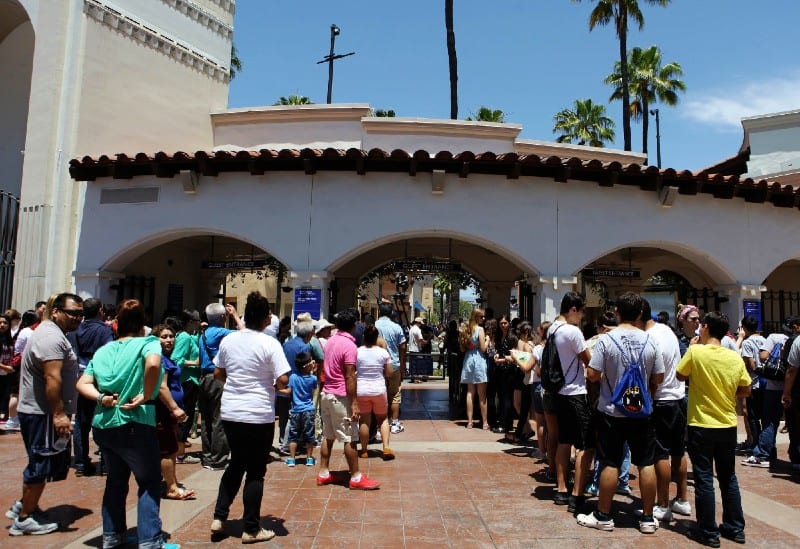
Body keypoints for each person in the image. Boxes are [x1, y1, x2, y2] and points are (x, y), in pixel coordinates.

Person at [76, 298, 165, 549]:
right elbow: (153, 364)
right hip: (135, 421)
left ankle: (112, 536)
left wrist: (102, 397)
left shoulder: (103, 350)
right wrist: (146, 395)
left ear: (117, 324)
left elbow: (82, 383)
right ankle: (150, 540)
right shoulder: (148, 342)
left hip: (104, 425)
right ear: (143, 323)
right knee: (148, 481)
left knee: (115, 481)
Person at [577, 292, 664, 534]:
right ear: (639, 314)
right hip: (642, 412)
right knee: (646, 463)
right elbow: (658, 377)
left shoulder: (607, 340)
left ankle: (604, 515)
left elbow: (592, 374)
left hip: (611, 412)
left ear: (616, 312)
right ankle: (647, 518)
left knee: (610, 462)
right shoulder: (650, 341)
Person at [209, 291, 290, 543]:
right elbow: (283, 379)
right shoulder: (270, 344)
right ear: (266, 319)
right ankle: (251, 528)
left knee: (235, 464)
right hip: (258, 414)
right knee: (255, 471)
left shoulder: (230, 340)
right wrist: (273, 384)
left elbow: (218, 373)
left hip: (232, 411)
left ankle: (219, 516)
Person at [7, 293, 83, 536]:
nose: (78, 319)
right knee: (40, 462)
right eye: (73, 313)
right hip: (43, 413)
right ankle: (25, 518)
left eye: (81, 314)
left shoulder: (53, 334)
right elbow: (52, 378)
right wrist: (59, 414)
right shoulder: (51, 337)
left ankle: (26, 505)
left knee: (43, 461)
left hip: (41, 412)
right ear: (57, 311)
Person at [676, 311, 750, 547]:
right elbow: (746, 389)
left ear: (706, 328)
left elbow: (679, 375)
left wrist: (691, 346)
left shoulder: (696, 351)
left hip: (701, 423)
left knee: (704, 477)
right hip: (727, 424)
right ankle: (735, 528)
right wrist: (727, 394)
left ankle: (708, 531)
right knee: (728, 477)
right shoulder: (734, 357)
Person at [317, 309, 380, 490]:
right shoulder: (349, 346)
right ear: (353, 326)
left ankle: (323, 472)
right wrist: (354, 402)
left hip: (327, 394)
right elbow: (350, 376)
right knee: (350, 438)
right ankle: (356, 476)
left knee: (328, 436)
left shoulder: (330, 342)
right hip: (340, 396)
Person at [641, 298, 691, 521]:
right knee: (678, 451)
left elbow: (654, 376)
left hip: (661, 400)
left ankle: (662, 503)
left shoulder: (650, 338)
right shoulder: (667, 330)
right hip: (679, 397)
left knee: (660, 453)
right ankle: (682, 499)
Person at [549, 292, 592, 513]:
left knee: (564, 441)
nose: (582, 317)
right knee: (585, 444)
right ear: (573, 310)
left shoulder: (553, 329)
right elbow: (589, 361)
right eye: (581, 312)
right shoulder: (573, 332)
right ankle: (578, 493)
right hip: (575, 392)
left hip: (558, 393)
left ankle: (561, 489)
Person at [67, 297, 114, 477]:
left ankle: (80, 462)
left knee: (81, 421)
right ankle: (105, 461)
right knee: (101, 419)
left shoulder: (75, 329)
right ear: (100, 310)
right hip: (98, 377)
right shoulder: (104, 331)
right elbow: (109, 353)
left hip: (79, 376)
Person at [152, 323, 195, 501]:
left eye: (171, 336)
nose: (169, 340)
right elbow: (162, 387)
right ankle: (171, 487)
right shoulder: (160, 360)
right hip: (163, 412)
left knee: (171, 447)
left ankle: (172, 481)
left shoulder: (167, 359)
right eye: (164, 337)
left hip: (169, 413)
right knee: (168, 450)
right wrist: (174, 408)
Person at [198, 302, 243, 471]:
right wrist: (236, 316)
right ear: (222, 317)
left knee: (206, 419)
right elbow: (245, 334)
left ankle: (208, 456)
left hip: (203, 378)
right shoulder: (221, 332)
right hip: (216, 378)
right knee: (219, 419)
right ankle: (219, 459)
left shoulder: (202, 334)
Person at [356, 325, 395, 460]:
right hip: (379, 389)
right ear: (376, 338)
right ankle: (386, 447)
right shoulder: (383, 353)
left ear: (364, 337)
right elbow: (389, 373)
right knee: (383, 418)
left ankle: (364, 450)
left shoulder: (357, 351)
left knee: (365, 420)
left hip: (362, 390)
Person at [172, 309, 201, 465]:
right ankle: (180, 453)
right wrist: (193, 363)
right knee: (185, 417)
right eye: (196, 322)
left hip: (191, 380)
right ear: (190, 322)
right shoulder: (184, 337)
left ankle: (179, 449)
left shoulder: (189, 336)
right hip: (187, 381)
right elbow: (176, 359)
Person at [280, 351, 318, 467]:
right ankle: (309, 458)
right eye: (311, 362)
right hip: (308, 410)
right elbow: (314, 390)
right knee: (309, 434)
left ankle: (291, 459)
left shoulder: (293, 377)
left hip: (296, 410)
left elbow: (288, 391)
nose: (313, 363)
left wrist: (276, 390)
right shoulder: (313, 379)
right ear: (307, 366)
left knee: (293, 435)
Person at [375, 302, 407, 435]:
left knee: (378, 395)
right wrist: (403, 365)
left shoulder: (373, 326)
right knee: (394, 394)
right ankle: (394, 423)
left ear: (379, 311)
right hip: (393, 364)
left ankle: (378, 425)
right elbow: (403, 347)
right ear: (391, 313)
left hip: (377, 365)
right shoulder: (396, 327)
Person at [3, 310, 38, 432]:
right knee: (16, 393)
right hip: (21, 365)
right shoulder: (29, 332)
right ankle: (12, 420)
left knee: (16, 393)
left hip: (18, 365)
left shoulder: (22, 331)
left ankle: (13, 419)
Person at [459, 308, 489, 429]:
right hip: (479, 360)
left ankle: (470, 421)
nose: (483, 319)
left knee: (470, 393)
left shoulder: (466, 329)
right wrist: (487, 340)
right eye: (481, 317)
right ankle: (485, 422)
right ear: (476, 317)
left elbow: (462, 348)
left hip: (468, 359)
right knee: (482, 394)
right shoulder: (480, 329)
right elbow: (483, 348)